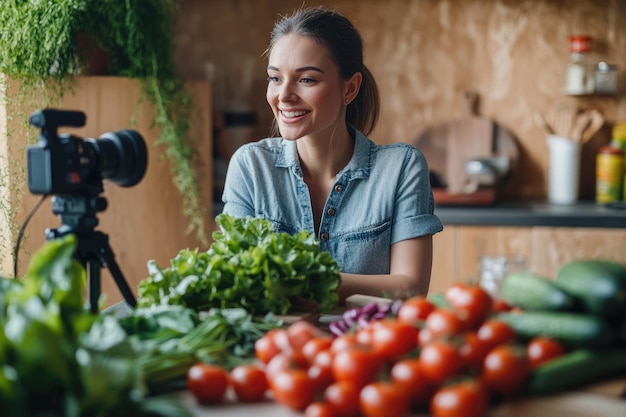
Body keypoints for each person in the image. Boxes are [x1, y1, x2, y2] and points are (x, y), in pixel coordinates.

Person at [221, 5, 443, 302]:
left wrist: (307, 281)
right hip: (278, 345)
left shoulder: (401, 167)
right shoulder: (250, 167)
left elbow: (411, 288)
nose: (283, 95)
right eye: (275, 78)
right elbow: (234, 282)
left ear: (349, 88)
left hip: (369, 345)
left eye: (306, 79)